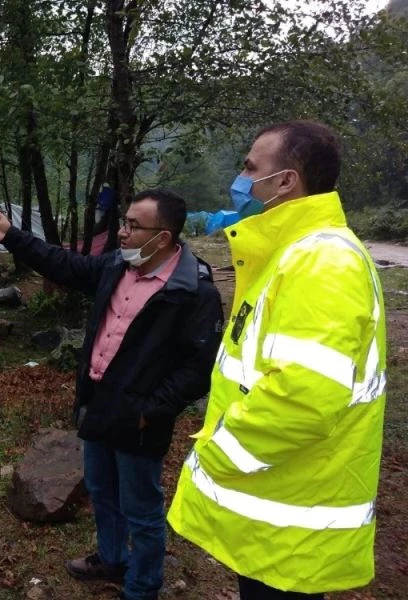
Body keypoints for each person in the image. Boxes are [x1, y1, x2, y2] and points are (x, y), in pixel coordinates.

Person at [167, 121, 387, 599]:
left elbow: (302, 398)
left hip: (293, 516)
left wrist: (217, 453)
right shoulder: (290, 252)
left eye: (250, 167)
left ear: (286, 180)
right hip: (278, 502)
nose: (240, 179)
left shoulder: (323, 262)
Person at [0, 189, 223, 600]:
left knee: (141, 509)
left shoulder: (194, 293)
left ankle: (142, 587)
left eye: (132, 225)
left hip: (140, 418)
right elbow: (64, 264)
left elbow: (198, 370)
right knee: (103, 492)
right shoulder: (116, 267)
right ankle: (110, 559)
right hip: (97, 403)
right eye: (123, 222)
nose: (121, 232)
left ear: (163, 238)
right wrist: (11, 236)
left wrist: (151, 412)